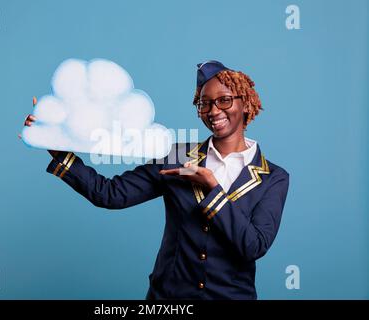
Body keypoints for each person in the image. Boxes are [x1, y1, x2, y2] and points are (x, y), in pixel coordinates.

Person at [21, 60, 289, 300]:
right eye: (204, 103)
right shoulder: (176, 157)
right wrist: (59, 149)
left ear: (246, 102)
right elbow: (111, 194)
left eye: (224, 100)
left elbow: (253, 245)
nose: (213, 110)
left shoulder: (273, 178)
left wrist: (211, 186)